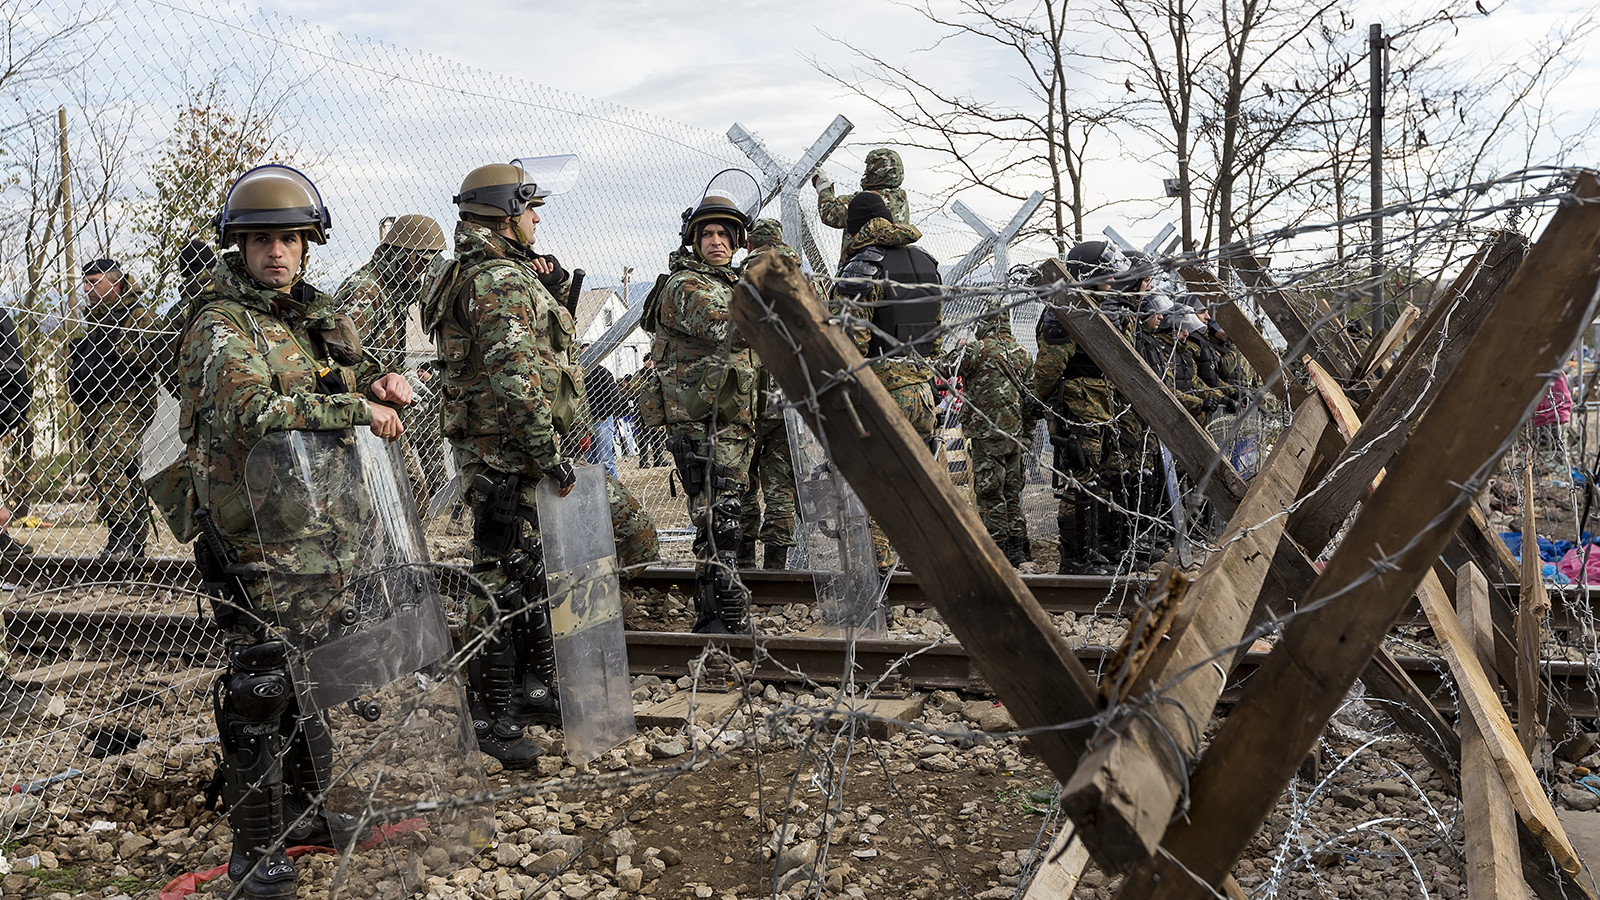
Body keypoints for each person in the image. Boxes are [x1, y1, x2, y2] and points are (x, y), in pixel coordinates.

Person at [175, 164, 413, 900]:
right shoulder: (219, 325)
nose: (276, 252)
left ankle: (308, 814)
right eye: (261, 241)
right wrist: (359, 410)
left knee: (311, 674)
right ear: (240, 248)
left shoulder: (306, 317)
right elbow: (254, 411)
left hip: (318, 532)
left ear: (307, 246)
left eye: (288, 239)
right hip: (253, 538)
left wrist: (377, 381)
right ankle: (255, 850)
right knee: (262, 682)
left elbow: (338, 374)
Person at [423, 160, 657, 762]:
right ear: (506, 214)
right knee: (499, 579)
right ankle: (488, 715)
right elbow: (515, 376)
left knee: (523, 572)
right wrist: (550, 455)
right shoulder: (498, 280)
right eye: (529, 208)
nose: (535, 219)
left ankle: (527, 691)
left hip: (499, 451)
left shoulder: (475, 274)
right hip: (511, 456)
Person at [649, 170, 761, 632]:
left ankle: (722, 618)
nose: (716, 241)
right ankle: (718, 622)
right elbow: (732, 327)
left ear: (737, 241)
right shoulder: (688, 286)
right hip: (703, 425)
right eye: (708, 234)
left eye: (724, 234)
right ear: (694, 241)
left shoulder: (728, 282)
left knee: (726, 516)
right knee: (719, 520)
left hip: (730, 420)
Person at [832, 191, 942, 575]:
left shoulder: (863, 267)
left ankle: (878, 578)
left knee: (876, 489)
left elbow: (850, 345)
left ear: (854, 228)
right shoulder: (927, 264)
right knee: (917, 484)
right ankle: (924, 568)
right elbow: (935, 336)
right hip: (923, 391)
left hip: (881, 392)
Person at [336, 215, 450, 502]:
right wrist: (378, 380)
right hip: (360, 411)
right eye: (420, 262)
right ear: (402, 257)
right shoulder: (367, 290)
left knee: (409, 495)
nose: (422, 272)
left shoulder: (392, 291)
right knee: (405, 495)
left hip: (381, 410)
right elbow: (336, 357)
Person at [69, 258, 162, 558]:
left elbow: (156, 356)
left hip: (130, 400)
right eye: (85, 283)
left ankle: (121, 530)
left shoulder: (138, 316)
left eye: (94, 282)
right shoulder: (96, 320)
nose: (87, 289)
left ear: (116, 283)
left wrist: (123, 350)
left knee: (106, 456)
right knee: (121, 469)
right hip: (96, 404)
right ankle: (135, 540)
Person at [738, 218, 798, 569]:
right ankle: (777, 567)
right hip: (787, 397)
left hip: (747, 396)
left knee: (742, 481)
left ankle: (744, 560)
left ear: (749, 245)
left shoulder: (740, 278)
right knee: (780, 486)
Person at [958, 312, 1036, 565]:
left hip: (987, 435)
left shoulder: (976, 350)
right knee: (1012, 492)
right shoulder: (1022, 354)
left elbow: (942, 366)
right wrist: (1028, 434)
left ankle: (998, 550)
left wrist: (959, 347)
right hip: (1015, 434)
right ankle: (1018, 547)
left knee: (990, 494)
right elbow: (1031, 401)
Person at [815, 148, 910, 266]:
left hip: (861, 266)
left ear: (878, 172)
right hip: (895, 265)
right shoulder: (901, 198)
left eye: (869, 168)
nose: (865, 171)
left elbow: (829, 213)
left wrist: (823, 186)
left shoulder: (866, 201)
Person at [579, 342, 623, 479]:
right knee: (589, 460)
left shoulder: (602, 372)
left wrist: (603, 415)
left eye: (588, 353)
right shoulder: (579, 375)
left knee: (606, 460)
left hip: (601, 420)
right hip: (587, 423)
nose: (586, 357)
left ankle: (613, 489)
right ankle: (595, 489)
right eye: (583, 354)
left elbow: (615, 397)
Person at [632, 354, 667, 468]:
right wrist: (646, 386)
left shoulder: (656, 373)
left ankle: (659, 459)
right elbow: (633, 390)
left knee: (657, 434)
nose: (651, 363)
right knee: (644, 435)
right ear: (644, 362)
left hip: (656, 408)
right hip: (644, 409)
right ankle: (643, 461)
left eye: (652, 360)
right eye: (648, 360)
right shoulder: (639, 375)